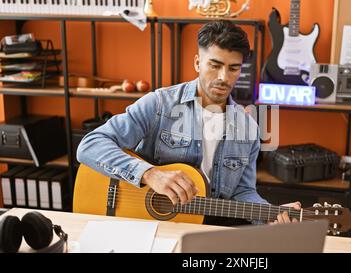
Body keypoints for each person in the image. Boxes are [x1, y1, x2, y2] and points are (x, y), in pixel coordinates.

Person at [77, 20, 300, 225]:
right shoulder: (159, 104)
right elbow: (90, 145)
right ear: (197, 62)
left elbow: (243, 192)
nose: (224, 77)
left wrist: (270, 213)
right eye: (214, 65)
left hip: (204, 228)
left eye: (233, 68)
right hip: (144, 225)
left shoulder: (249, 128)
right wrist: (149, 174)